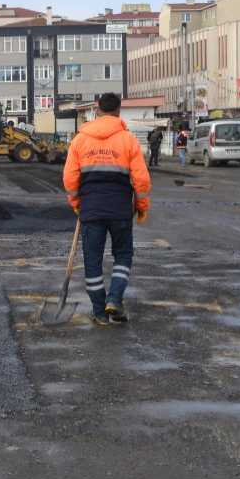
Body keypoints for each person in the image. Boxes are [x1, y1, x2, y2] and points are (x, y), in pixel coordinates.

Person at [63, 93, 151, 326]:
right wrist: (141, 207)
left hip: (91, 209)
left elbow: (70, 178)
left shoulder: (80, 140)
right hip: (120, 209)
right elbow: (141, 179)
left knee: (93, 260)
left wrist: (77, 204)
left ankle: (99, 312)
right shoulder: (128, 139)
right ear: (119, 111)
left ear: (97, 109)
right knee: (123, 255)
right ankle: (114, 299)